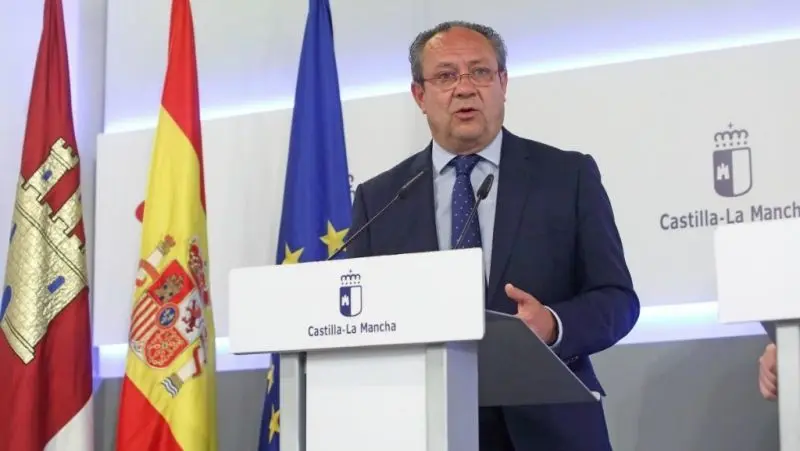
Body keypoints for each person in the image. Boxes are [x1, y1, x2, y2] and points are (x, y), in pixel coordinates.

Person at [346, 21, 640, 451]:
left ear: (503, 83)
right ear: (419, 95)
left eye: (480, 72)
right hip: (423, 427)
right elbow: (360, 319)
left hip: (549, 428)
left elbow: (617, 299)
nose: (465, 88)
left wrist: (552, 325)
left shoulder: (568, 176)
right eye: (445, 76)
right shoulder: (381, 198)